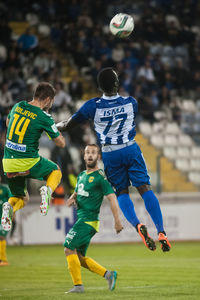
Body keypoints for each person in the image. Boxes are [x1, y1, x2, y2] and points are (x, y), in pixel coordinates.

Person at [57, 67, 171, 252]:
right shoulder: (131, 102)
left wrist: (52, 126)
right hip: (130, 148)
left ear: (99, 86)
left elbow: (68, 124)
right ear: (117, 84)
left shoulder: (92, 106)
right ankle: (161, 232)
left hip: (110, 153)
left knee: (122, 192)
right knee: (145, 188)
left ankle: (137, 225)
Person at [1, 82, 66, 232]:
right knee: (55, 171)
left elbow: (8, 122)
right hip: (28, 162)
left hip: (8, 162)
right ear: (48, 99)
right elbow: (61, 143)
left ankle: (9, 207)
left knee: (22, 198)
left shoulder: (18, 106)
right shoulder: (44, 117)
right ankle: (47, 191)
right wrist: (56, 129)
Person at [64, 144, 123, 293]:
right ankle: (108, 274)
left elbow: (112, 198)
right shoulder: (82, 175)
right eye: (88, 152)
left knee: (68, 248)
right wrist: (72, 198)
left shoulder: (100, 177)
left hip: (88, 220)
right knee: (80, 257)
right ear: (84, 156)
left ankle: (78, 286)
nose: (90, 155)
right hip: (82, 219)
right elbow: (77, 191)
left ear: (98, 157)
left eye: (93, 153)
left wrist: (117, 220)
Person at [0, 176, 11, 266]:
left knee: (1, 237)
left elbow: (11, 201)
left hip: (3, 217)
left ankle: (3, 260)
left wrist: (13, 213)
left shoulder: (5, 188)